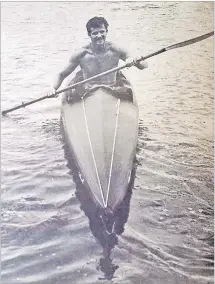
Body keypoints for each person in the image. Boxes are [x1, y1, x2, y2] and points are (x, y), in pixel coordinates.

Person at [49, 16, 148, 99]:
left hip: (111, 90)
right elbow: (61, 75)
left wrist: (135, 62)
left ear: (106, 32)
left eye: (102, 32)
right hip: (88, 92)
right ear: (89, 34)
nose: (99, 36)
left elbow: (144, 65)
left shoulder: (115, 49)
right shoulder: (81, 54)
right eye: (95, 33)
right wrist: (53, 88)